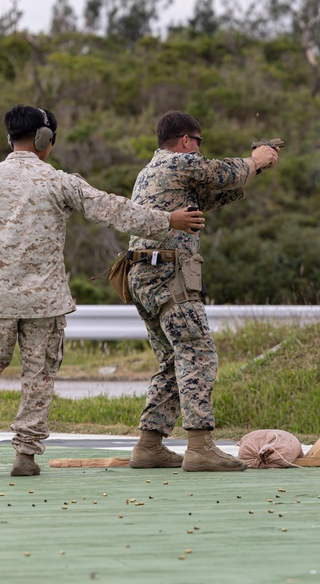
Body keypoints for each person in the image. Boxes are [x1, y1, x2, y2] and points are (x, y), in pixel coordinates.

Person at [0, 104, 204, 477]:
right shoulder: (59, 182)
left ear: (10, 138)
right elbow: (113, 210)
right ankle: (25, 455)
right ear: (44, 139)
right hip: (46, 300)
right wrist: (167, 220)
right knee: (38, 376)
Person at [126, 110, 279, 472]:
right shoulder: (180, 163)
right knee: (198, 355)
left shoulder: (154, 171)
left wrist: (253, 171)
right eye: (198, 142)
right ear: (185, 141)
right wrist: (255, 160)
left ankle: (149, 444)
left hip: (144, 272)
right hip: (167, 271)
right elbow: (219, 174)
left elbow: (210, 194)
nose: (199, 150)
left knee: (171, 362)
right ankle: (199, 445)